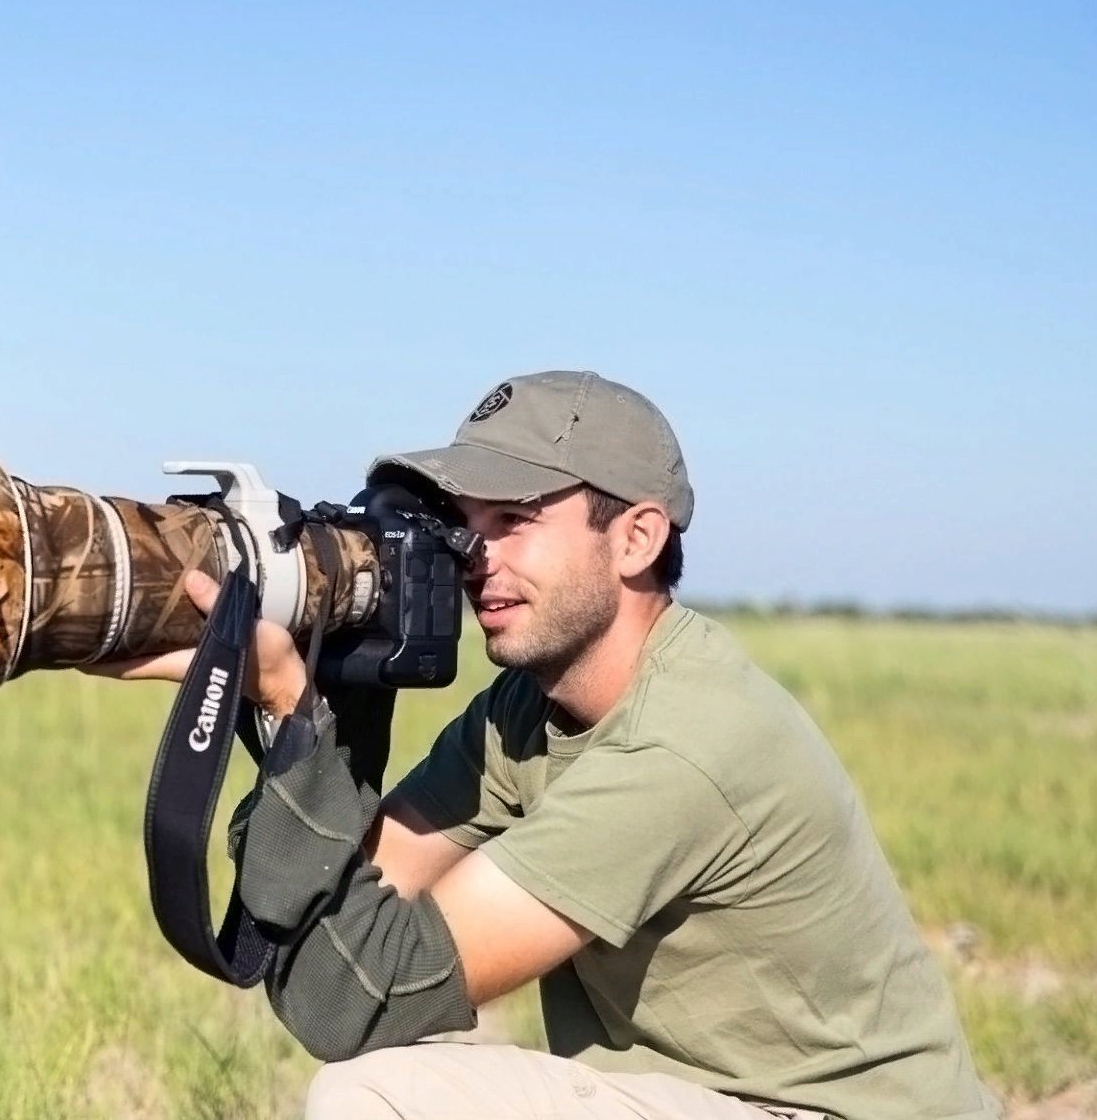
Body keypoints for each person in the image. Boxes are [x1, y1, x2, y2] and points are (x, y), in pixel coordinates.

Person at [91, 370, 1001, 1119]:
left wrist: (293, 709)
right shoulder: (527, 710)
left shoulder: (680, 746)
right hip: (700, 1102)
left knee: (374, 1098)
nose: (474, 557)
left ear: (637, 537)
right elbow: (339, 917)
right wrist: (325, 688)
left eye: (513, 520)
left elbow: (358, 998)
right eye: (463, 524)